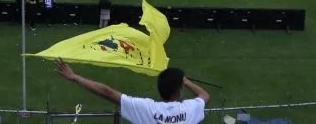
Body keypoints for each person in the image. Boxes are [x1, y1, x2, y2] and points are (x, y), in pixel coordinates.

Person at [54, 60, 208, 124]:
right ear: (180, 90)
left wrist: (74, 77)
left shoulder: (147, 108)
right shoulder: (190, 109)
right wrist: (186, 81)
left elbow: (107, 92)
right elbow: (204, 96)